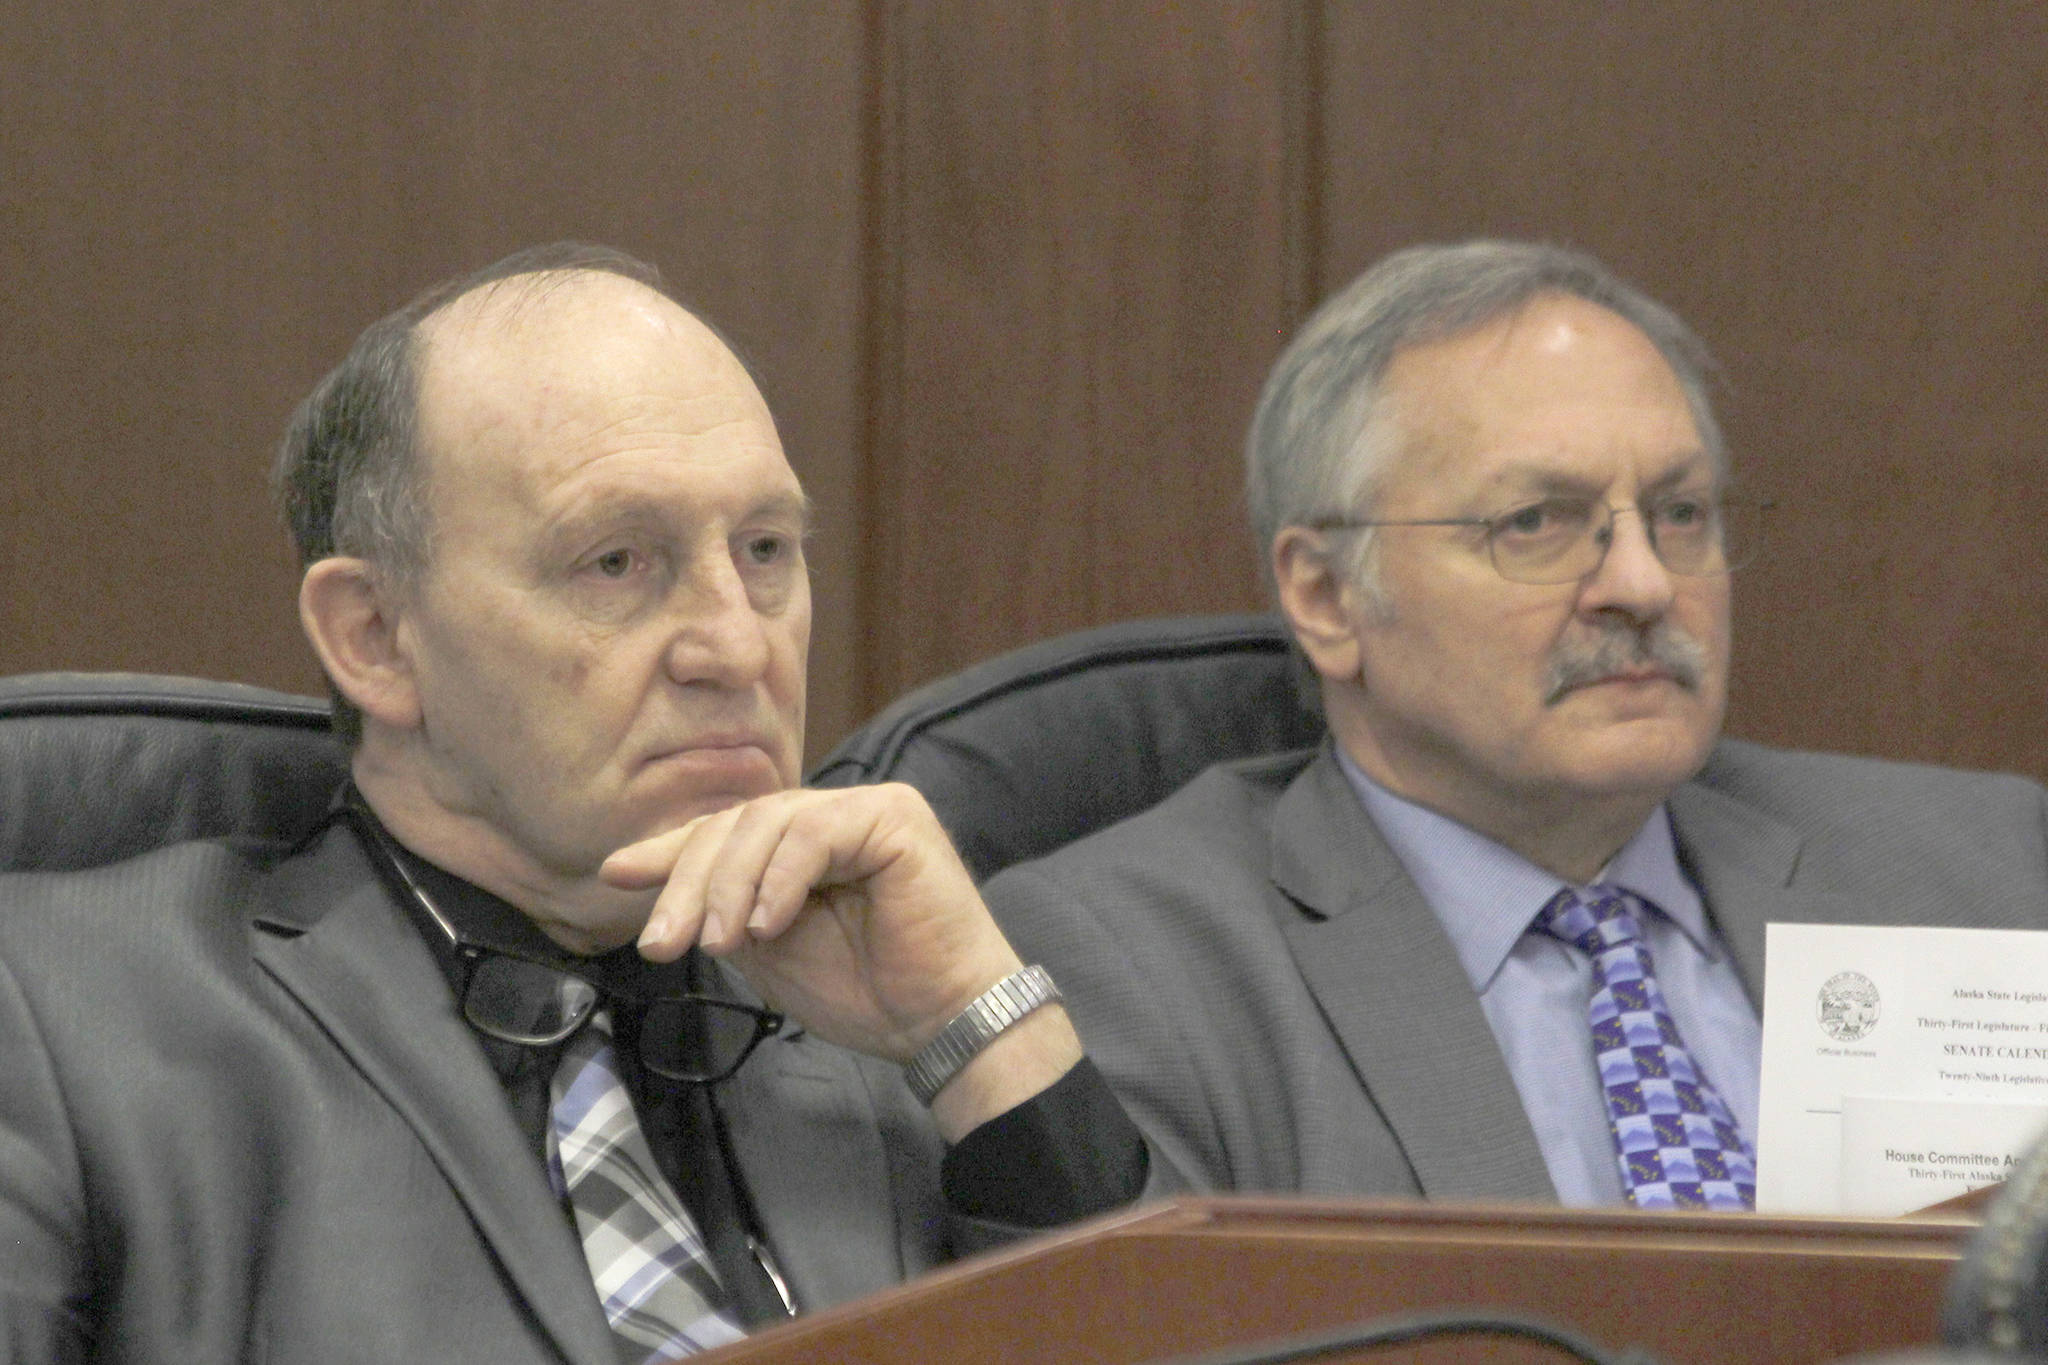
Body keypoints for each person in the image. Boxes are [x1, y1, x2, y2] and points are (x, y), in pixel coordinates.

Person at [0, 243, 1152, 1363]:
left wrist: (975, 1030)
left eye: (764, 550)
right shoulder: (68, 1019)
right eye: (617, 562)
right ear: (375, 637)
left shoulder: (892, 1010)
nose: (736, 645)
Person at [982, 238, 2048, 1211]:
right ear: (1322, 595)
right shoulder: (1136, 969)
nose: (1639, 582)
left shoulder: (1987, 878)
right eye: (1533, 523)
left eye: (1678, 512)